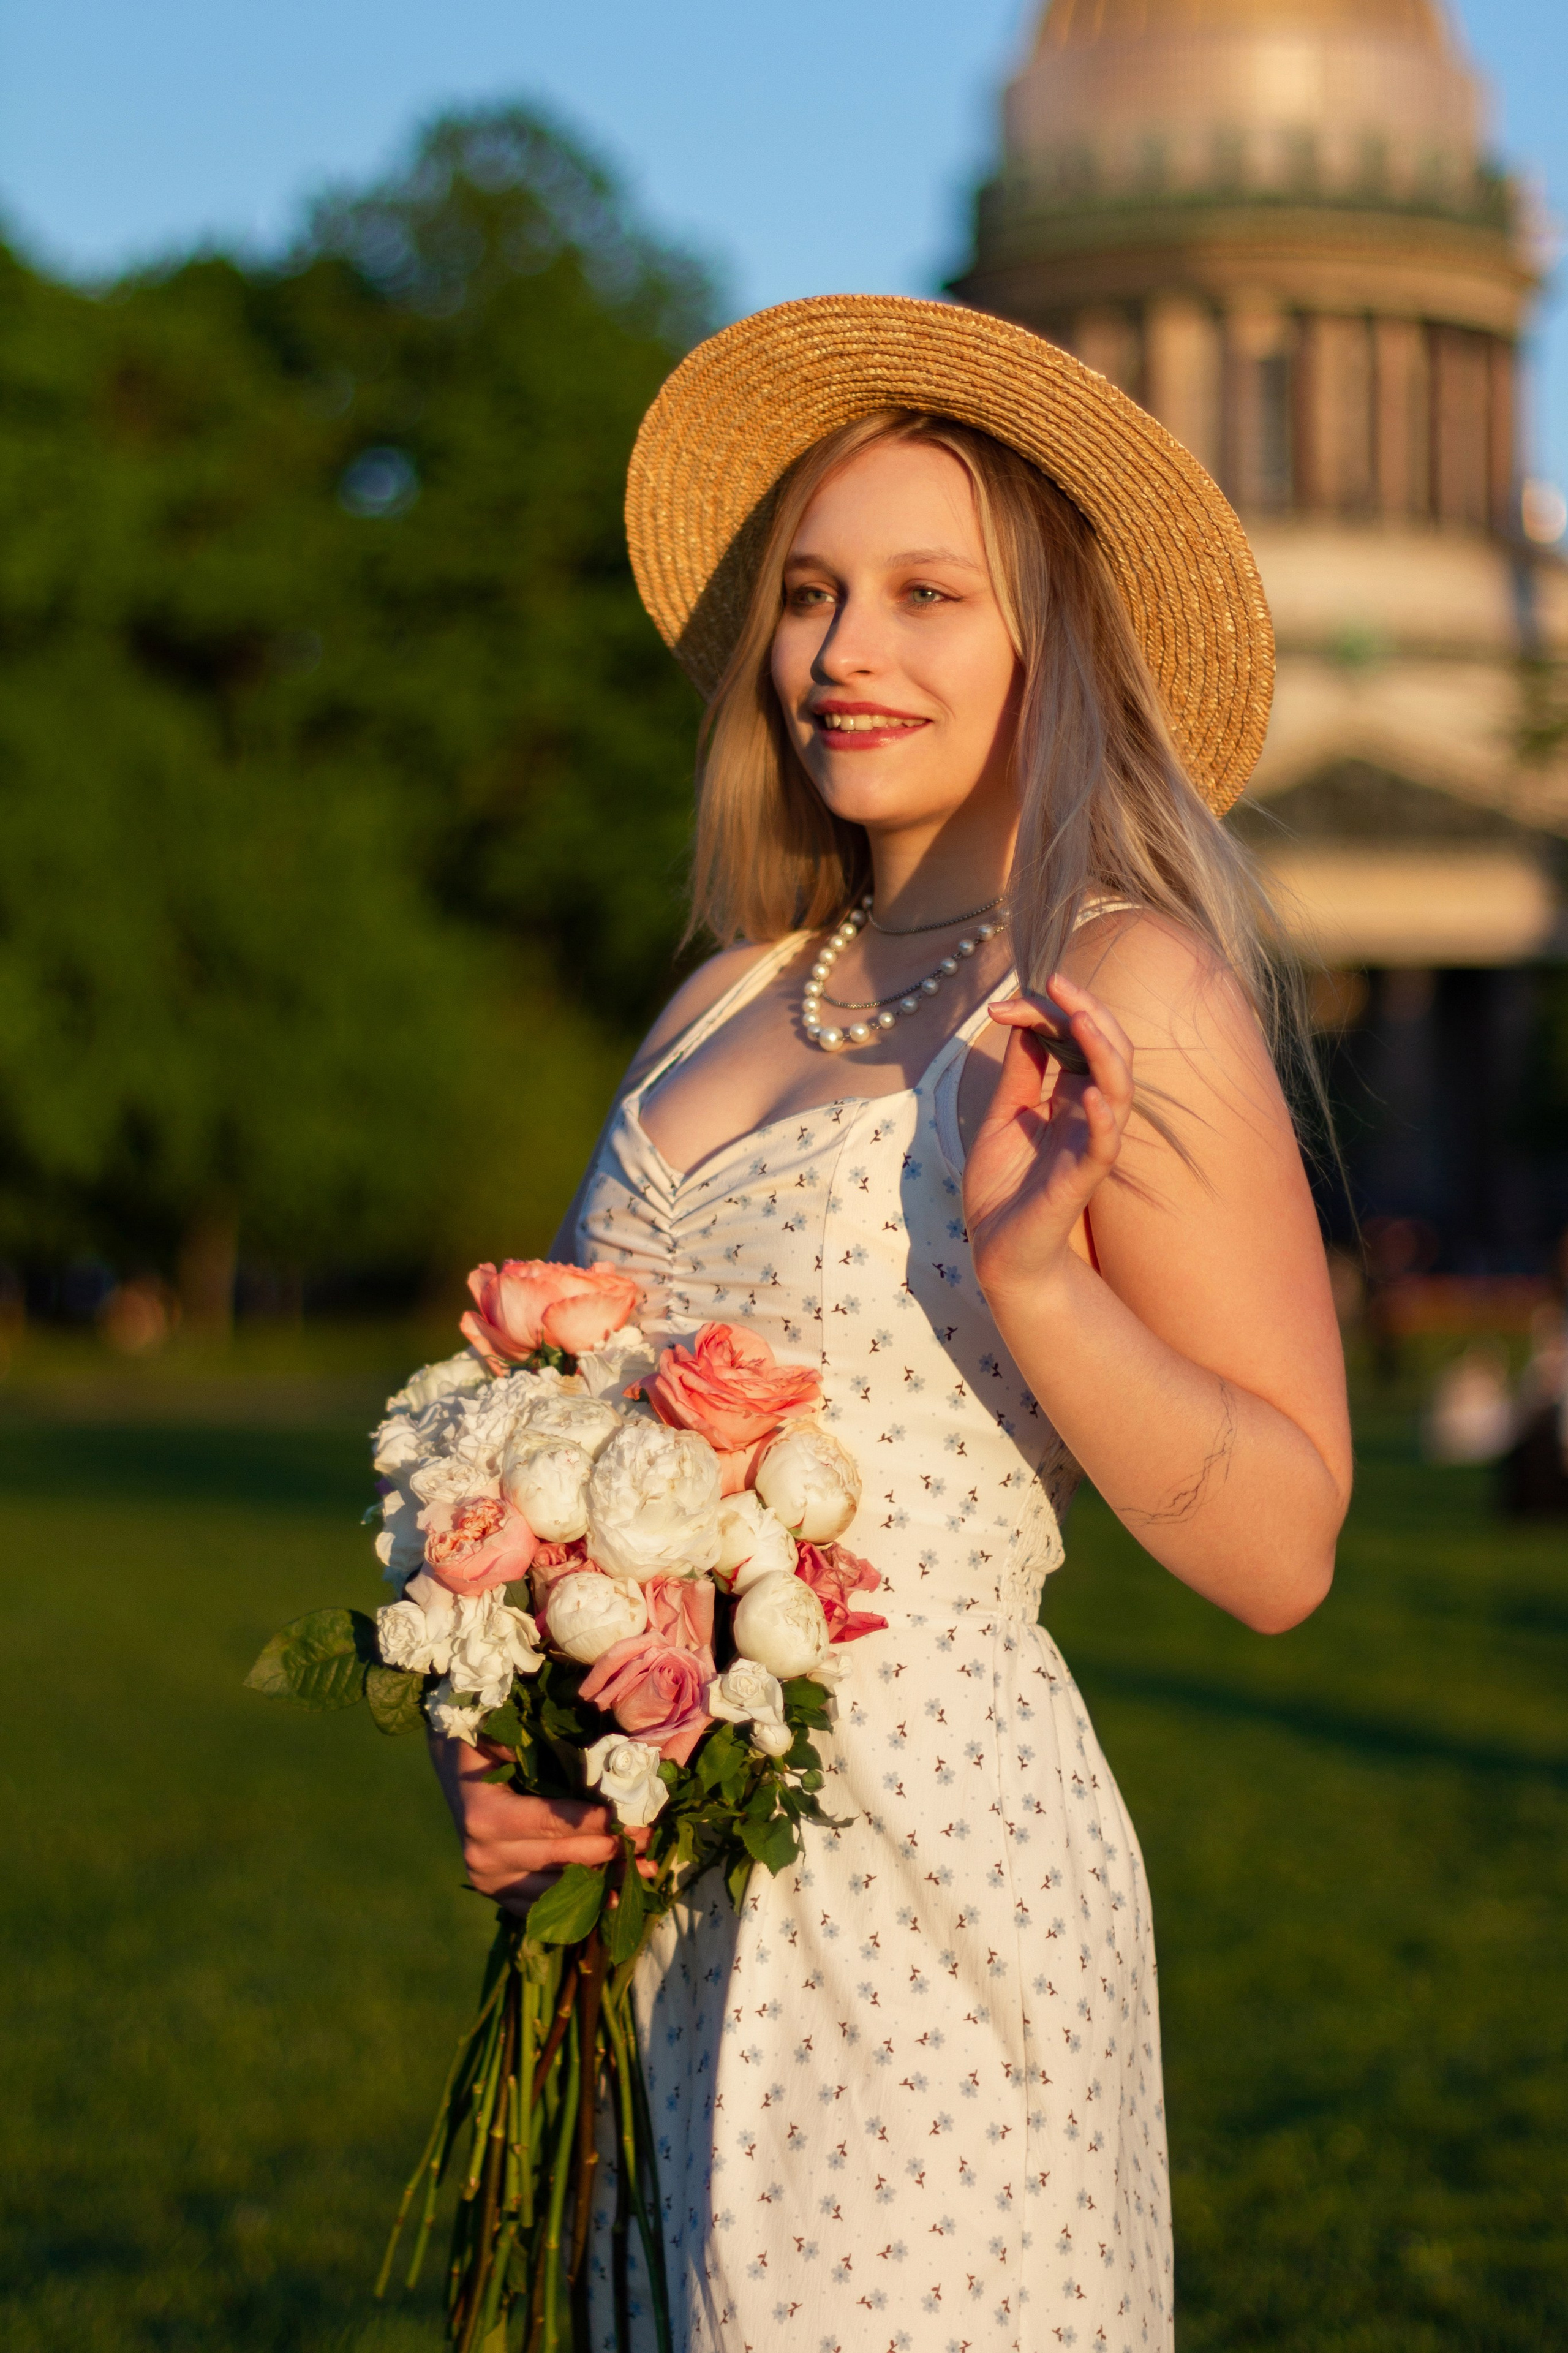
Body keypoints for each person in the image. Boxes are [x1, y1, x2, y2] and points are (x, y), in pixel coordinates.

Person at [434, 295, 1351, 2352]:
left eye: (929, 593)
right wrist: (504, 1744)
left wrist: (1039, 1274)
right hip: (660, 1915)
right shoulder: (724, 1001)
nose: (846, 653)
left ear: (1054, 640)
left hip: (931, 1887)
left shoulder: (1127, 985)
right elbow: (567, 1455)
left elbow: (1286, 1543)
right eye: (814, 594)